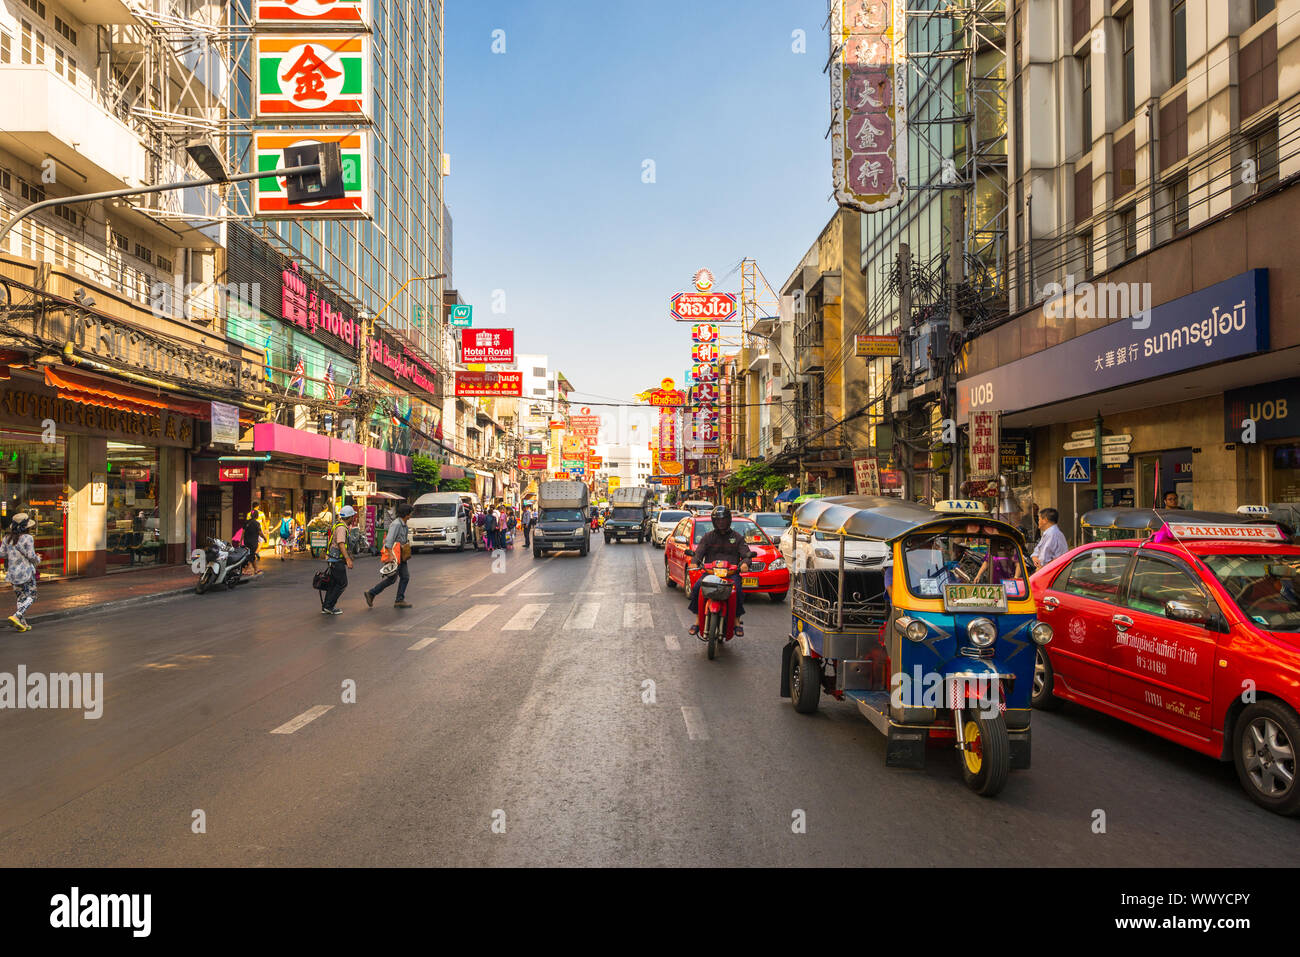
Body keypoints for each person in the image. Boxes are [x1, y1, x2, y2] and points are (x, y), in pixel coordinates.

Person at [687, 506, 754, 637]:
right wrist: (694, 561)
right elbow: (698, 553)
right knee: (696, 588)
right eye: (718, 520)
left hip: (731, 574)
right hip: (710, 574)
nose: (721, 523)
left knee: (739, 591)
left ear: (729, 520)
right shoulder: (708, 537)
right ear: (714, 521)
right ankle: (697, 621)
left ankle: (736, 622)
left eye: (723, 520)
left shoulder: (737, 537)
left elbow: (746, 554)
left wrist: (745, 563)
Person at [365, 502, 413, 609]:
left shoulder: (404, 525)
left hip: (401, 555)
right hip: (395, 555)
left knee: (404, 577)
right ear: (406, 514)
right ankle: (372, 593)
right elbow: (389, 541)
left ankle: (399, 600)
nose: (411, 515)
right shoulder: (396, 524)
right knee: (393, 579)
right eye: (410, 513)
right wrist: (391, 555)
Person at [1, 513, 41, 631]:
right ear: (26, 526)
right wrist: (38, 558)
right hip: (26, 572)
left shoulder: (6, 538)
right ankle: (17, 616)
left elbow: (2, 554)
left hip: (12, 573)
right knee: (32, 596)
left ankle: (22, 624)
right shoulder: (28, 538)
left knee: (20, 597)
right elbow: (31, 556)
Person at [321, 505, 357, 615]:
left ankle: (326, 606)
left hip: (333, 559)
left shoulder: (339, 525)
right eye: (353, 516)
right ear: (349, 517)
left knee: (334, 583)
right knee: (342, 583)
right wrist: (348, 559)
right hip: (336, 560)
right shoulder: (342, 528)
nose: (353, 518)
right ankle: (329, 606)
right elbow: (341, 544)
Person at [1029, 506, 1069, 571]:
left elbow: (1043, 560)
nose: (1038, 522)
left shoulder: (1052, 533)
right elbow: (1036, 551)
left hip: (1050, 571)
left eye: (1039, 519)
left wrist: (1039, 566)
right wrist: (1034, 557)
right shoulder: (1049, 533)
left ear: (1045, 520)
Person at [242, 510, 265, 574]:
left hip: (246, 541)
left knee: (251, 555)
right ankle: (244, 570)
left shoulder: (246, 522)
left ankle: (256, 569)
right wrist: (265, 538)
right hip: (253, 542)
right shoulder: (257, 523)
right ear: (257, 516)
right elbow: (260, 533)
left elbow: (243, 532)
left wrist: (241, 541)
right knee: (251, 556)